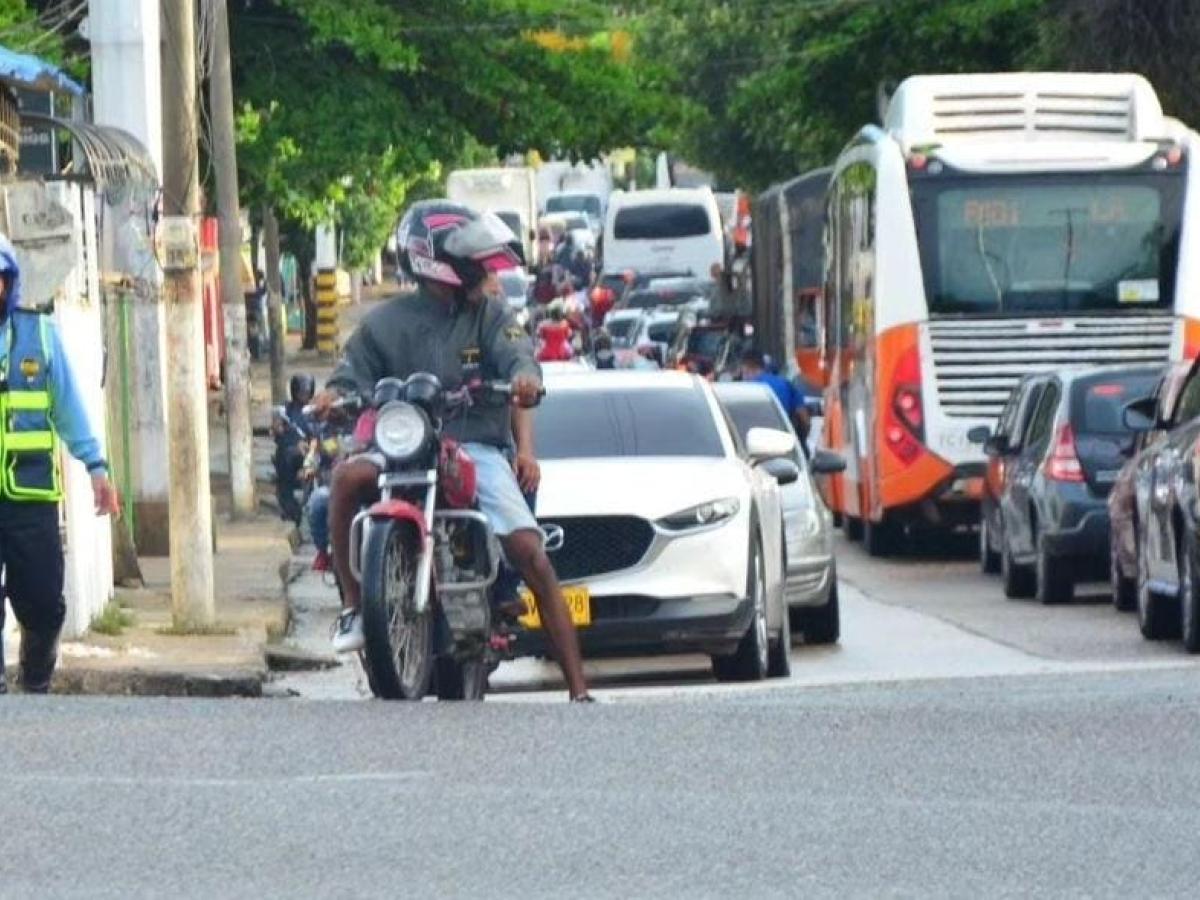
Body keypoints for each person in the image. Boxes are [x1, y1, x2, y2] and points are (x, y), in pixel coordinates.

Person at [313, 202, 591, 702]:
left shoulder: (490, 314)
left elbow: (517, 353)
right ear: (435, 260)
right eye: (472, 259)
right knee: (344, 479)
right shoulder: (384, 323)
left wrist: (526, 378)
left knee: (530, 550)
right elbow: (351, 370)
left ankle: (577, 687)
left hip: (475, 447)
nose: (483, 269)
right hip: (402, 447)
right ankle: (355, 604)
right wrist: (333, 394)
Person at [0, 237, 121, 694]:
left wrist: (97, 469)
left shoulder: (39, 336)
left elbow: (69, 409)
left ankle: (35, 680)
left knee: (44, 604)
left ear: (9, 284)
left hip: (30, 495)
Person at [739, 347, 811, 455]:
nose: (743, 377)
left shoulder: (742, 390)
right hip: (784, 446)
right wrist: (801, 440)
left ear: (747, 369)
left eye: (743, 372)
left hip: (751, 450)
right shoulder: (785, 384)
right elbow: (804, 418)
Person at [271, 373, 315, 524]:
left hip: (311, 453)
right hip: (289, 454)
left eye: (307, 392)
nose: (304, 396)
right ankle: (289, 508)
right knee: (285, 459)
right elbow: (277, 428)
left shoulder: (314, 410)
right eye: (301, 392)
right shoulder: (287, 410)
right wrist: (278, 427)